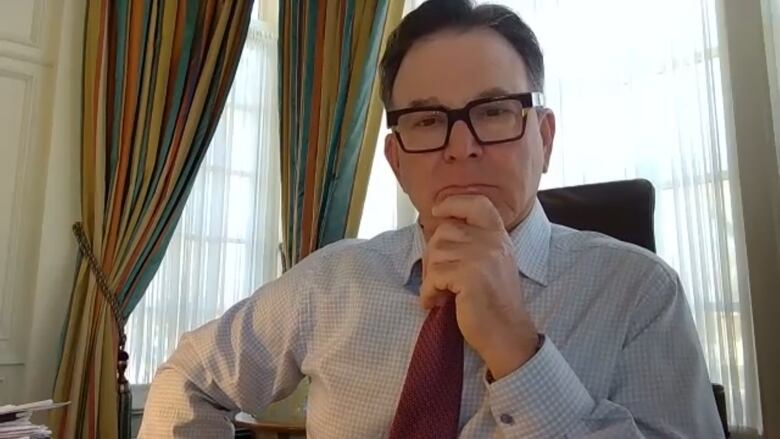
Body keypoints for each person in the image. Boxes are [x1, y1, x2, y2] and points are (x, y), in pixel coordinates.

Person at [139, 0, 725, 437]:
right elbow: (188, 379)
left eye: (494, 111)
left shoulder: (640, 293)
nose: (461, 147)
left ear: (543, 139)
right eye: (425, 121)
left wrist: (517, 349)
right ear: (396, 159)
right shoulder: (329, 282)